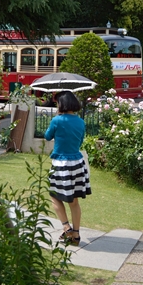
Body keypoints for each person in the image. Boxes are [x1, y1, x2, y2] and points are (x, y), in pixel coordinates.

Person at [44, 90, 91, 246]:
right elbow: (79, 141)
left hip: (61, 164)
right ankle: (76, 235)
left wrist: (55, 122)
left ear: (61, 104)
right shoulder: (81, 122)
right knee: (74, 201)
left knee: (54, 196)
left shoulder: (57, 121)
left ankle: (66, 227)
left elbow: (47, 136)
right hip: (78, 163)